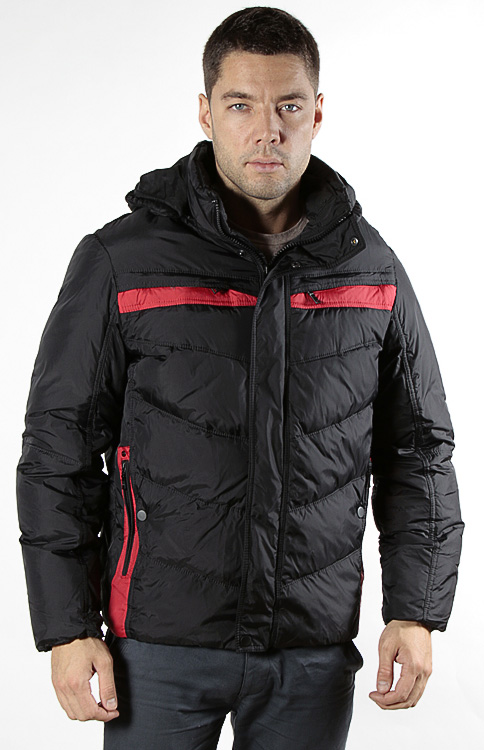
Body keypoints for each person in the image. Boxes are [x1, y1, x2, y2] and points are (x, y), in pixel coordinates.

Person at [16, 6, 464, 749]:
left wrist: (414, 612)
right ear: (205, 113)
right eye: (240, 105)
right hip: (158, 647)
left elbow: (418, 452)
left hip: (310, 649)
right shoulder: (123, 260)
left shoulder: (370, 267)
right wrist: (66, 628)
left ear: (317, 113)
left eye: (288, 106)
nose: (267, 130)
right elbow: (56, 452)